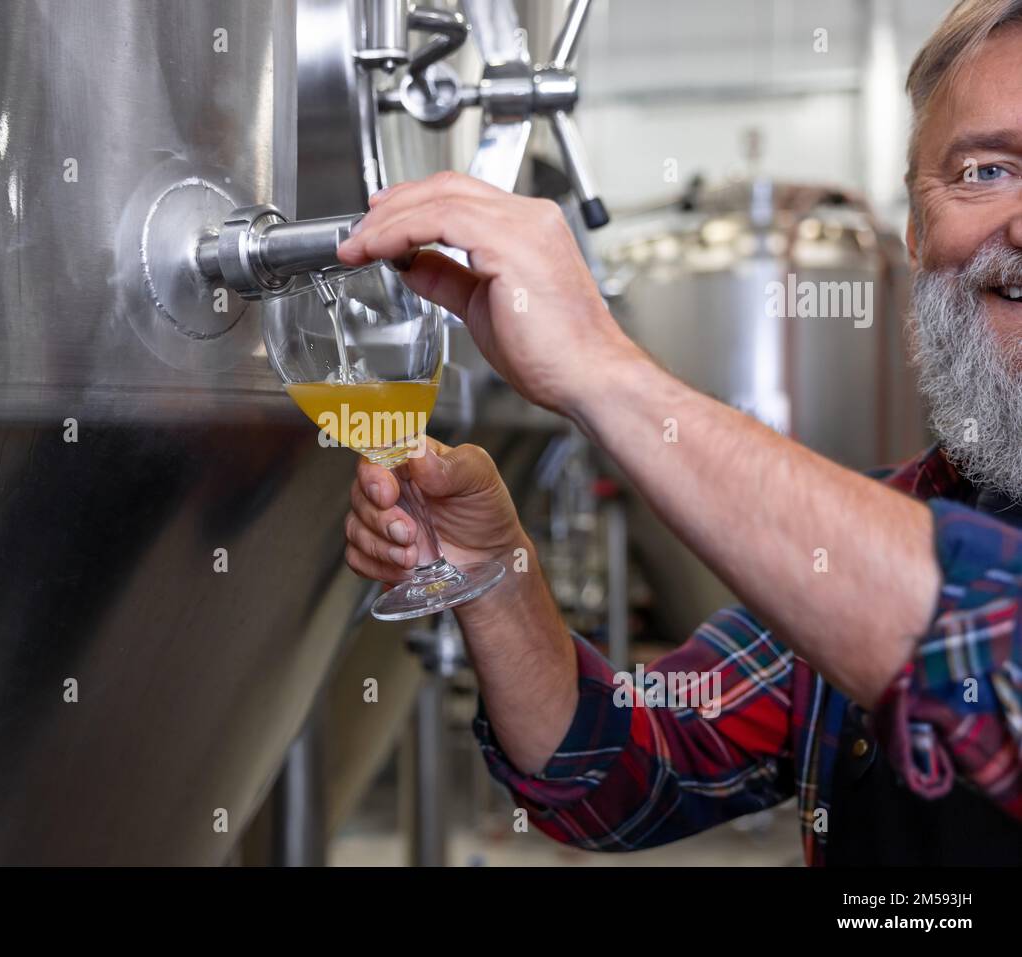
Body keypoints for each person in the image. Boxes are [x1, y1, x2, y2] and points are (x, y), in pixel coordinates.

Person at [335, 0, 1022, 865]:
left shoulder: (873, 566)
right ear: (917, 239)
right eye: (986, 171)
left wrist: (600, 368)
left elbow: (994, 645)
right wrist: (494, 575)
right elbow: (627, 767)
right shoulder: (877, 531)